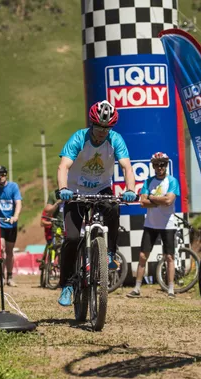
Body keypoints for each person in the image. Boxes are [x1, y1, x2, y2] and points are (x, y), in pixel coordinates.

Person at [56, 100, 136, 307]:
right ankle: (67, 284)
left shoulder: (115, 139)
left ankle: (110, 253)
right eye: (99, 127)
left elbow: (127, 167)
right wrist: (63, 189)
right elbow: (63, 166)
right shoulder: (79, 138)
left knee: (113, 207)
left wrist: (130, 189)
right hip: (74, 191)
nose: (102, 132)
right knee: (72, 238)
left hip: (101, 189)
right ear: (92, 124)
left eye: (106, 129)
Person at [127, 152, 180, 299]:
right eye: (156, 165)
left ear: (166, 165)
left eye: (162, 164)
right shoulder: (148, 181)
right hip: (150, 224)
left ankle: (171, 289)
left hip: (168, 225)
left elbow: (169, 201)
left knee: (169, 257)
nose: (159, 167)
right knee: (142, 256)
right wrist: (159, 200)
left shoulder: (172, 181)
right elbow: (142, 203)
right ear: (153, 166)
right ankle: (137, 288)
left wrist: (151, 197)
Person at [0, 165, 22, 287]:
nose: (1, 177)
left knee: (9, 251)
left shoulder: (13, 187)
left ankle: (10, 276)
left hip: (11, 224)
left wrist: (15, 216)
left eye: (3, 175)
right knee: (1, 249)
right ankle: (1, 276)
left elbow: (18, 203)